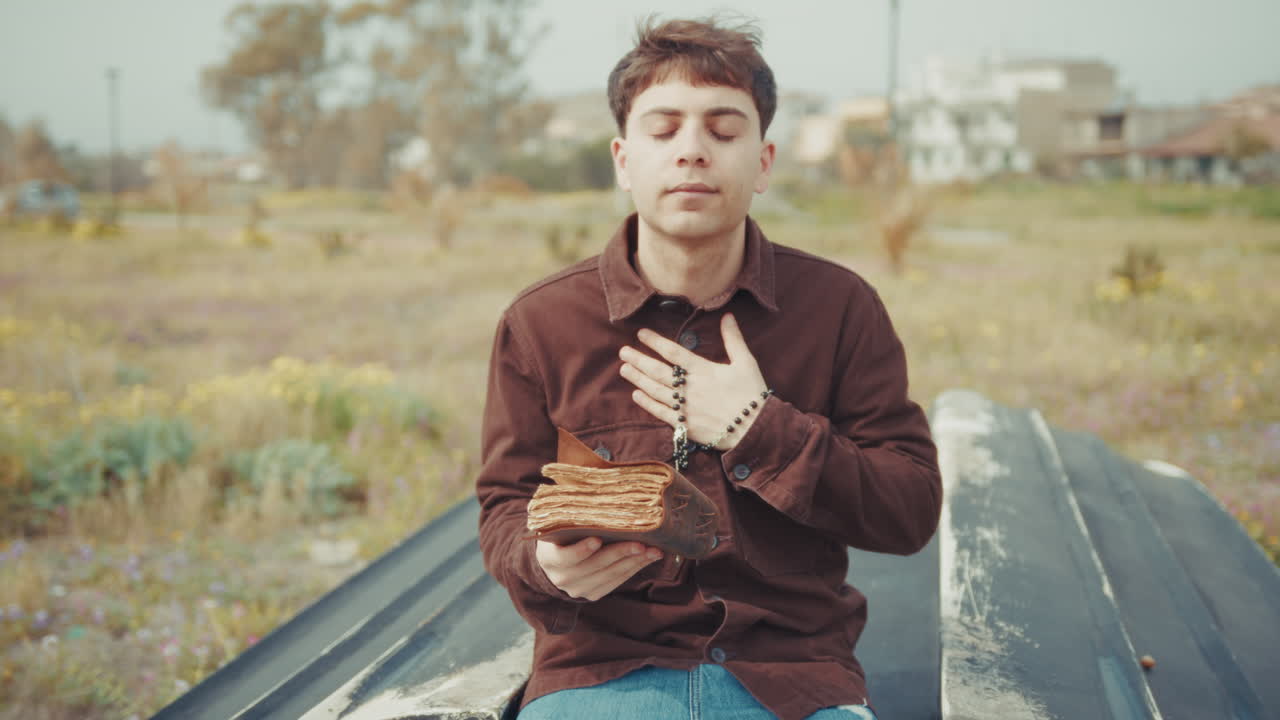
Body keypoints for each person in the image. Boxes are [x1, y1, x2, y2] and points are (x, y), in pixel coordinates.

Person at [475, 15, 942, 720]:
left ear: (762, 163)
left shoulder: (840, 308)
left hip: (795, 679)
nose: (692, 152)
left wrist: (759, 428)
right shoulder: (542, 324)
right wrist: (544, 567)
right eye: (663, 130)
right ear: (623, 160)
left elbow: (910, 510)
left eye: (723, 131)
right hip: (602, 675)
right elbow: (505, 503)